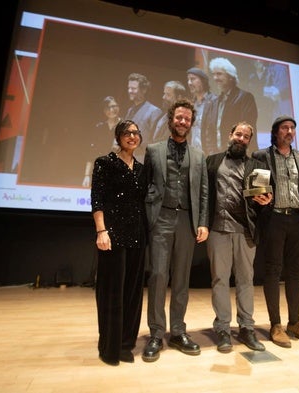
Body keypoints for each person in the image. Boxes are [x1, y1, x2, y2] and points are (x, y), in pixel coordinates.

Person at [142, 99, 209, 362]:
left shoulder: (199, 156)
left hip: (187, 222)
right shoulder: (153, 150)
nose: (183, 122)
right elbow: (146, 184)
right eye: (179, 118)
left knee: (181, 279)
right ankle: (156, 333)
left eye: (187, 119)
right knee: (158, 276)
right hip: (161, 219)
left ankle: (178, 331)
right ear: (171, 120)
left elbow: (204, 192)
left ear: (191, 123)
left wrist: (202, 221)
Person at [251, 115, 299, 348]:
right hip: (274, 219)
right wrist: (260, 197)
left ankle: (295, 322)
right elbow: (256, 190)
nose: (289, 131)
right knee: (272, 271)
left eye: (292, 128)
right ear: (275, 132)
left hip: (297, 219)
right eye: (284, 128)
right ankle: (276, 324)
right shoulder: (262, 155)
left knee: (295, 272)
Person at [206, 121, 271, 353]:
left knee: (245, 281)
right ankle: (223, 329)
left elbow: (261, 202)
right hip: (217, 229)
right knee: (220, 281)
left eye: (246, 136)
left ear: (249, 141)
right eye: (238, 134)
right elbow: (204, 195)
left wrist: (265, 201)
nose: (241, 139)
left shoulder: (257, 165)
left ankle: (246, 328)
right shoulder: (212, 161)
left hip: (245, 231)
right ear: (230, 135)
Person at [91, 120, 148, 365]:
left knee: (133, 293)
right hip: (112, 236)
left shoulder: (142, 169)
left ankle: (126, 344)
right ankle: (109, 346)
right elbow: (97, 199)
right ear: (118, 137)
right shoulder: (105, 163)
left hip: (137, 236)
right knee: (112, 293)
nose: (132, 137)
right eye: (127, 133)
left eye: (136, 133)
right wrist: (101, 231)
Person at [206, 57, 258, 155]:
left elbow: (247, 130)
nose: (215, 78)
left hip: (240, 156)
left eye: (219, 74)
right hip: (219, 157)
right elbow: (210, 132)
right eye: (214, 74)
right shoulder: (215, 101)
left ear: (231, 76)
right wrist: (212, 154)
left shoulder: (245, 97)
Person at [82, 96, 122, 188]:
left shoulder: (124, 125)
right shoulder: (99, 128)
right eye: (108, 107)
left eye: (114, 106)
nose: (111, 110)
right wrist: (87, 175)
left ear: (118, 107)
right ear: (104, 111)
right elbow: (92, 153)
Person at [124, 73, 164, 162]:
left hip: (144, 161)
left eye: (133, 88)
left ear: (144, 90)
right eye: (129, 88)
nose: (130, 91)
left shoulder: (154, 111)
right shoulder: (130, 111)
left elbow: (156, 141)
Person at [247, 60, 293, 134]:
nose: (258, 63)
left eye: (260, 61)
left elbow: (283, 87)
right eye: (255, 61)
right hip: (270, 104)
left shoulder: (278, 68)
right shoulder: (254, 75)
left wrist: (278, 92)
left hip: (281, 102)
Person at [186, 67, 217, 152]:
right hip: (193, 154)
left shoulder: (215, 102)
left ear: (203, 81)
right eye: (188, 80)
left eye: (192, 79)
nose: (189, 83)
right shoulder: (191, 104)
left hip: (208, 154)